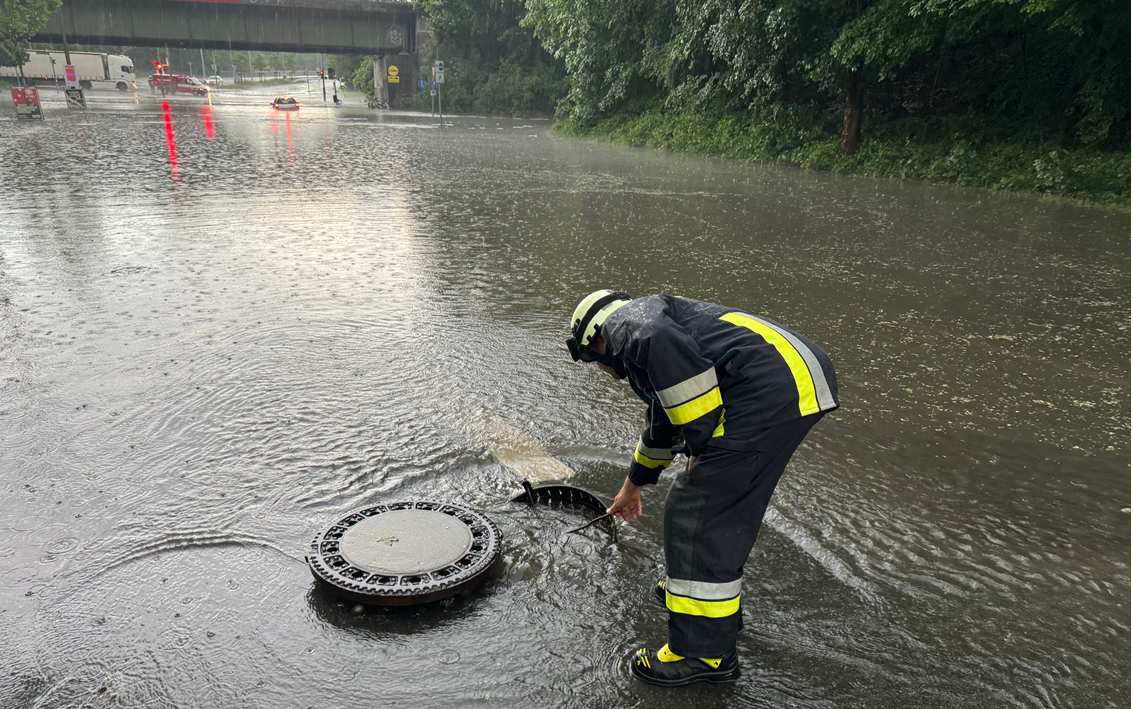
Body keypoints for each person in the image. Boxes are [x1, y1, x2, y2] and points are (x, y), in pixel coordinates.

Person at [565, 290, 838, 687]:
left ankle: (702, 654)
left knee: (698, 511)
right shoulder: (658, 341)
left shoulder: (632, 327)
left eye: (592, 360)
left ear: (596, 339)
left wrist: (700, 450)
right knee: (713, 500)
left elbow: (694, 413)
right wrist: (632, 487)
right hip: (786, 380)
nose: (602, 370)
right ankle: (697, 599)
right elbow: (664, 425)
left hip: (769, 389)